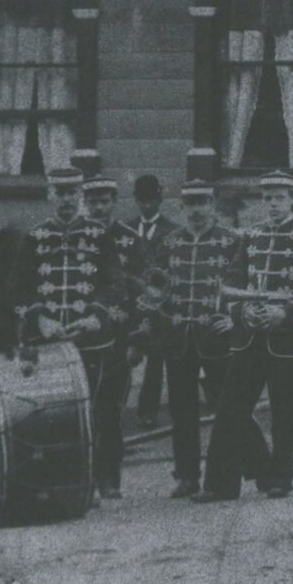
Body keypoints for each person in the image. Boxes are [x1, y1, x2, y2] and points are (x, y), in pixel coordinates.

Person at [12, 166, 130, 500]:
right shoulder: (35, 236)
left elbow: (115, 284)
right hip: (49, 342)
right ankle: (69, 482)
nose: (65, 200)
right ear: (50, 195)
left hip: (92, 340)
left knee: (102, 412)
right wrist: (40, 319)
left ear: (79, 196)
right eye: (59, 193)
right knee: (56, 414)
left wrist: (96, 315)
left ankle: (106, 478)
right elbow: (19, 290)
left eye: (71, 194)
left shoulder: (98, 234)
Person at [210, 171, 293, 500]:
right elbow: (232, 283)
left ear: (292, 199)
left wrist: (285, 313)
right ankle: (222, 484)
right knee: (231, 408)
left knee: (284, 413)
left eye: (279, 198)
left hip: (287, 340)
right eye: (267, 198)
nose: (273, 204)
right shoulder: (251, 235)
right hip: (249, 337)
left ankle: (280, 478)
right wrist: (242, 312)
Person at [147, 180, 240, 500]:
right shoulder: (169, 241)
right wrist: (160, 322)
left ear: (212, 205)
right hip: (178, 340)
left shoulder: (231, 241)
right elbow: (155, 289)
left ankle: (235, 472)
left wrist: (234, 319)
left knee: (226, 408)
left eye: (202, 202)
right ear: (181, 207)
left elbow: (244, 284)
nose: (197, 210)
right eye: (190, 203)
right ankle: (187, 475)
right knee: (181, 410)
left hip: (216, 337)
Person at [81, 174, 139, 486]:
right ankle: (85, 478)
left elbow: (146, 293)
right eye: (93, 202)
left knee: (110, 410)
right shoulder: (76, 238)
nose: (99, 208)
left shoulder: (129, 238)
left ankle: (110, 478)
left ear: (114, 203)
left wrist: (137, 341)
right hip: (83, 335)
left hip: (118, 335)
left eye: (104, 202)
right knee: (82, 408)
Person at [121, 174, 175, 426]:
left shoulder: (172, 230)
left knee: (155, 358)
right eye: (142, 200)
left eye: (151, 199)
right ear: (136, 201)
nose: (147, 205)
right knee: (125, 356)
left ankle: (148, 411)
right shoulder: (126, 229)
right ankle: (118, 406)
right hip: (132, 303)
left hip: (159, 305)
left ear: (160, 199)